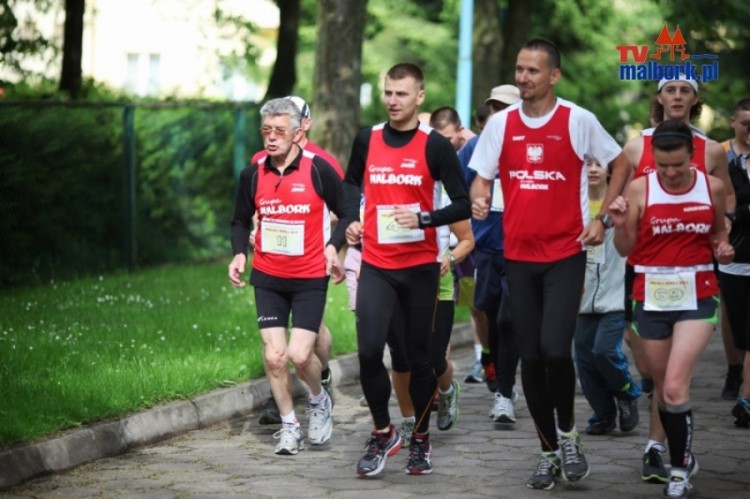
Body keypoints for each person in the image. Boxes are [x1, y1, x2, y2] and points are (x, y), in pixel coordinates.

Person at [469, 38, 631, 490]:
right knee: (531, 357)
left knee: (557, 352)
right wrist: (480, 195)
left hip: (565, 253)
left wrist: (602, 219)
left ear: (553, 76)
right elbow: (481, 177)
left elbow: (621, 163)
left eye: (533, 71)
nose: (523, 78)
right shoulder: (501, 125)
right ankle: (547, 451)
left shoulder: (578, 120)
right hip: (517, 256)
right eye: (519, 69)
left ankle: (568, 435)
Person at [342, 62, 470, 477]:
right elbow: (349, 186)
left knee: (419, 360)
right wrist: (350, 220)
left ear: (420, 97)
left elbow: (463, 203)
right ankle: (383, 431)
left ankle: (419, 438)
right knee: (367, 351)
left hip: (419, 269)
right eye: (388, 93)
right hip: (377, 264)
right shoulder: (368, 139)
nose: (393, 101)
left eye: (402, 94)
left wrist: (427, 220)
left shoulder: (434, 145)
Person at [608, 119, 734, 498]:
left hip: (698, 292)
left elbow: (718, 233)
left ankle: (679, 470)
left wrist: (723, 248)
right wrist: (618, 225)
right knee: (663, 389)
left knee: (677, 387)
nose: (671, 173)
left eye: (678, 165)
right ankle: (682, 454)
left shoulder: (711, 188)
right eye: (663, 166)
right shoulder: (638, 189)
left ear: (692, 156)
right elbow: (625, 250)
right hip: (650, 292)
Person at [228, 97, 348, 455]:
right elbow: (238, 219)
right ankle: (289, 426)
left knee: (299, 355)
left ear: (298, 133)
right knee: (274, 357)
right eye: (266, 130)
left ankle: (317, 399)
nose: (271, 138)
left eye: (280, 131)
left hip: (310, 275)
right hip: (268, 275)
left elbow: (346, 212)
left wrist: (332, 246)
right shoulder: (253, 174)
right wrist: (239, 252)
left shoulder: (317, 169)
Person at [461, 85, 523, 422]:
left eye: (506, 108)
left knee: (509, 319)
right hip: (485, 248)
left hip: (522, 249)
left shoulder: (529, 147)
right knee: (490, 316)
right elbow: (456, 189)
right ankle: (500, 373)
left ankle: (504, 393)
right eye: (494, 108)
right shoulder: (474, 147)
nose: (499, 114)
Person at [573, 156, 641, 436]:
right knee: (584, 360)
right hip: (580, 300)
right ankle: (603, 414)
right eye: (586, 164)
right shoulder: (572, 207)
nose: (591, 169)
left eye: (598, 164)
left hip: (614, 297)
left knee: (603, 352)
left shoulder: (620, 206)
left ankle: (627, 391)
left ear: (610, 170)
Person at [718, 98, 750, 400]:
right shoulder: (721, 152)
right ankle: (733, 366)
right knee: (730, 310)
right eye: (745, 124)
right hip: (731, 246)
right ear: (733, 122)